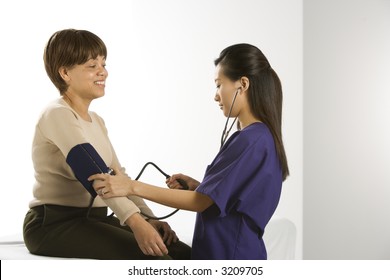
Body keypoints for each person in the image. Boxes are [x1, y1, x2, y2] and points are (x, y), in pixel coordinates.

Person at [89, 43, 290, 260]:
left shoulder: (250, 140)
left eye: (218, 85)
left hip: (230, 257)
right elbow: (231, 197)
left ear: (242, 84)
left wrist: (131, 186)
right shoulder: (261, 137)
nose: (215, 96)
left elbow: (200, 202)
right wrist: (199, 186)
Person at [23, 28, 191, 260]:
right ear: (65, 73)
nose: (103, 72)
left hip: (96, 218)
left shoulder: (97, 122)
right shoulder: (57, 114)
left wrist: (149, 218)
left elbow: (117, 176)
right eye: (92, 66)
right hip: (53, 223)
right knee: (155, 259)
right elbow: (94, 174)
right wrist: (135, 222)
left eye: (104, 64)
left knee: (184, 253)